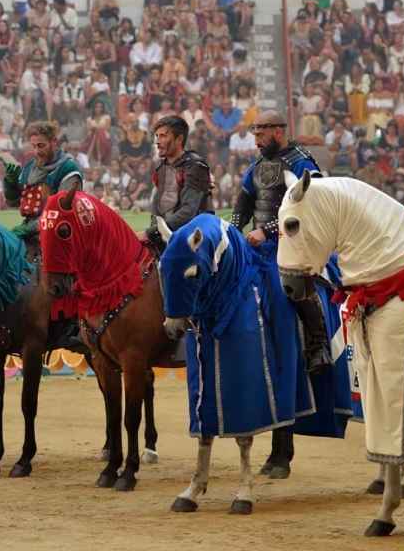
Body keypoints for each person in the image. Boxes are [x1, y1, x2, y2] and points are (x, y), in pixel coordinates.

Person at [230, 110, 333, 375]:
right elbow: (243, 205)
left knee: (296, 283)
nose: (256, 142)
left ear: (277, 131)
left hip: (294, 241)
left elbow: (309, 207)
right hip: (259, 246)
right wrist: (232, 231)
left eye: (261, 135)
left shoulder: (302, 163)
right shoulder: (257, 166)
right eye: (254, 135)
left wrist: (266, 231)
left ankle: (317, 345)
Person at [3, 121, 82, 260]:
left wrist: (29, 229)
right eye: (33, 146)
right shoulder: (29, 167)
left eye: (41, 145)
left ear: (54, 142)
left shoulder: (68, 169)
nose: (37, 151)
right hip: (31, 232)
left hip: (58, 233)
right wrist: (10, 185)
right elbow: (14, 202)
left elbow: (62, 211)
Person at [142, 116, 213, 253]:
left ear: (179, 139)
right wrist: (154, 236)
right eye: (157, 136)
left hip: (195, 239)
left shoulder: (195, 166)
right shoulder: (161, 168)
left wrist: (152, 233)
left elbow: (188, 212)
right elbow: (158, 208)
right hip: (166, 237)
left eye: (163, 136)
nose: (157, 141)